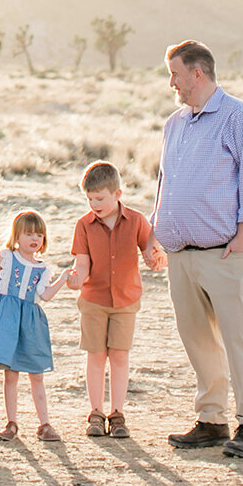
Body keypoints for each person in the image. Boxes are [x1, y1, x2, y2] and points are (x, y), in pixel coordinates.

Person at [153, 39, 243, 458]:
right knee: (197, 338)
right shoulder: (175, 124)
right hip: (180, 255)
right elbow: (166, 184)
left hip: (224, 252)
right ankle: (212, 419)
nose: (172, 83)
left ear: (197, 74)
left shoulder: (240, 117)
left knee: (237, 337)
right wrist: (156, 231)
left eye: (176, 74)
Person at [68, 159, 166, 438]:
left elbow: (154, 253)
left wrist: (155, 258)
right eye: (89, 199)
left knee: (120, 356)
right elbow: (82, 264)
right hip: (94, 300)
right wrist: (76, 279)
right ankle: (96, 413)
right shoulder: (83, 225)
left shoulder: (136, 221)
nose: (94, 204)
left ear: (117, 194)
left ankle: (118, 413)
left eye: (99, 198)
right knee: (96, 356)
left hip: (125, 301)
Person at [0, 209, 72, 442]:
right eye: (29, 234)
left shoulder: (43, 268)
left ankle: (45, 424)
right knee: (11, 374)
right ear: (17, 236)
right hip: (7, 321)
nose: (35, 239)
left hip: (31, 323)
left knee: (36, 374)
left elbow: (45, 296)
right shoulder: (6, 257)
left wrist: (64, 277)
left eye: (39, 234)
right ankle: (11, 423)